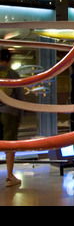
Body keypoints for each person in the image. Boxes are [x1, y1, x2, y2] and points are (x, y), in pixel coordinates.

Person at [0, 49, 24, 187]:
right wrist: (20, 117)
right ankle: (9, 176)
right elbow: (20, 97)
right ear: (9, 60)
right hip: (9, 113)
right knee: (9, 144)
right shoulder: (13, 74)